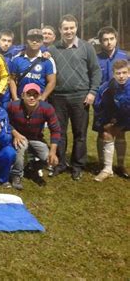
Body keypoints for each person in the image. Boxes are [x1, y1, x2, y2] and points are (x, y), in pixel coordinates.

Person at [47, 14, 102, 181]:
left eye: (71, 28)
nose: (69, 31)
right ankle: (61, 163)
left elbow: (96, 71)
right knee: (59, 133)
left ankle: (77, 165)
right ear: (60, 30)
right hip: (58, 97)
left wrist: (92, 91)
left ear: (76, 28)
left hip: (81, 97)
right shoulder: (53, 49)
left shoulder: (86, 48)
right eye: (65, 28)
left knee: (80, 133)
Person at [7, 83, 61, 190]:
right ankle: (16, 175)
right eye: (29, 94)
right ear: (23, 95)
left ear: (40, 96)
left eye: (35, 95)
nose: (32, 97)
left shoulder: (47, 108)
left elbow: (55, 130)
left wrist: (53, 151)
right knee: (21, 146)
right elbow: (3, 121)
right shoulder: (13, 106)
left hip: (36, 138)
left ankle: (32, 167)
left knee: (50, 159)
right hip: (18, 136)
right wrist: (15, 133)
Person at [93, 60, 130, 181]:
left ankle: (120, 165)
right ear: (113, 74)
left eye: (124, 73)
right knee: (106, 133)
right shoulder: (106, 88)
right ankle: (108, 169)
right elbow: (99, 107)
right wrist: (107, 122)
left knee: (121, 135)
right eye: (118, 73)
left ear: (129, 73)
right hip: (112, 116)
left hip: (127, 115)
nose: (121, 76)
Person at [9, 28, 56, 101]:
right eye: (31, 39)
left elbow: (52, 82)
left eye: (38, 39)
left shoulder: (47, 60)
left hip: (38, 101)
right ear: (26, 40)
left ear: (42, 42)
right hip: (21, 100)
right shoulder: (17, 58)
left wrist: (42, 98)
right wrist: (15, 98)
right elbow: (12, 79)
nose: (34, 42)